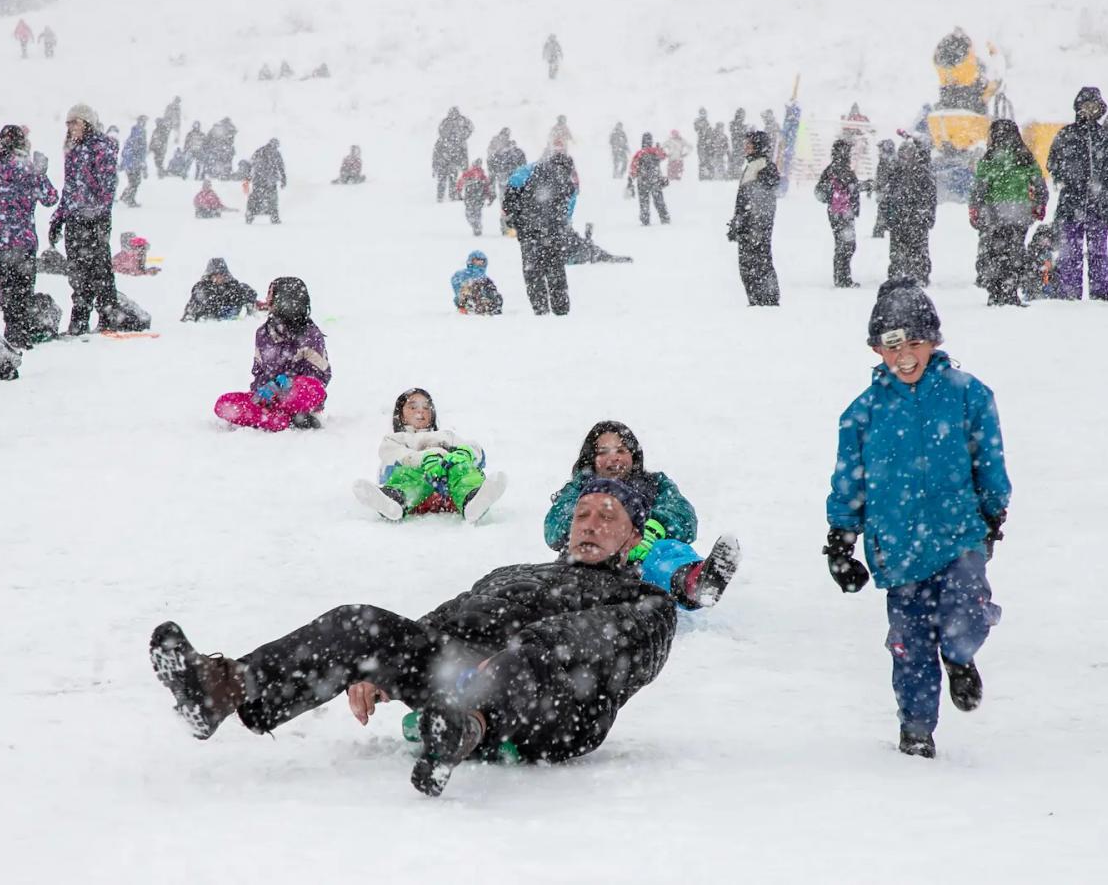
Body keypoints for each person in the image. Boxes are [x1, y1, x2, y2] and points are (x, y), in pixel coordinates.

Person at [148, 478, 735, 797]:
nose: (590, 524)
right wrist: (378, 670)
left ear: (634, 534)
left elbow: (609, 649)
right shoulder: (517, 573)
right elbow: (450, 621)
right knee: (362, 623)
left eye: (608, 517)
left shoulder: (646, 598)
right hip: (467, 669)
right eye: (583, 515)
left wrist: (513, 658)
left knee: (541, 656)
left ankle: (462, 724)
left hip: (559, 708)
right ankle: (227, 689)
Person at [824, 280, 1010, 759]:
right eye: (892, 346)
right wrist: (841, 543)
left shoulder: (968, 395)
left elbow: (988, 459)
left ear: (935, 343)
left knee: (967, 613)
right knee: (908, 643)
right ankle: (916, 727)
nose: (904, 356)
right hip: (898, 546)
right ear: (875, 349)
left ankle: (960, 655)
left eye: (915, 344)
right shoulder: (862, 415)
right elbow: (850, 482)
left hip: (958, 533)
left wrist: (994, 511)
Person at [544, 420, 736, 605]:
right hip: (589, 561)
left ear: (633, 455)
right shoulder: (579, 488)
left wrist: (653, 527)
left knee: (666, 552)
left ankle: (694, 581)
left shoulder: (654, 483)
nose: (614, 457)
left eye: (621, 450)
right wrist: (604, 534)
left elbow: (682, 514)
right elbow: (555, 524)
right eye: (603, 452)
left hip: (644, 563)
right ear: (591, 459)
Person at [0, 124, 59, 349]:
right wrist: (42, 173)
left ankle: (12, 327)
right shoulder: (29, 168)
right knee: (24, 287)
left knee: (6, 287)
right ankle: (21, 330)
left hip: (0, 238)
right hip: (24, 238)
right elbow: (50, 198)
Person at [352, 388, 508, 523]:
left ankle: (471, 500)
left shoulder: (446, 436)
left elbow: (474, 448)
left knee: (462, 470)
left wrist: (464, 454)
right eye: (413, 407)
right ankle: (393, 502)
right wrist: (423, 459)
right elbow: (389, 452)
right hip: (413, 492)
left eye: (426, 407)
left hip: (449, 492)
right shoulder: (398, 438)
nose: (420, 411)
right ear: (400, 414)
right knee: (410, 472)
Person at [214, 277, 331, 431]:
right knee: (224, 403)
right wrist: (262, 391)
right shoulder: (263, 333)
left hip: (299, 397)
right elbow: (259, 371)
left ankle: (282, 417)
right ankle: (279, 419)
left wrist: (288, 383)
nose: (267, 298)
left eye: (271, 294)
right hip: (271, 401)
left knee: (311, 388)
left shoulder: (309, 334)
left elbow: (319, 377)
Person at [1046, 86, 1108, 300]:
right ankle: (1069, 291)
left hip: (1099, 204)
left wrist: (1104, 184)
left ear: (1100, 108)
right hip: (1072, 204)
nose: (1089, 109)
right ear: (1078, 107)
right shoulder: (1066, 134)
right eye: (1085, 105)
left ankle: (1101, 292)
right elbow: (1052, 163)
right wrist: (1073, 178)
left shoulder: (1106, 136)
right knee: (1070, 250)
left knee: (1098, 250)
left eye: (1093, 105)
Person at [49, 103, 119, 336]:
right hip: (75, 218)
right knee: (78, 270)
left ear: (86, 123)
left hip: (95, 218)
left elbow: (108, 187)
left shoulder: (101, 148)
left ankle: (108, 314)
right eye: (68, 123)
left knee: (100, 267)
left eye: (75, 122)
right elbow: (69, 189)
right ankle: (79, 317)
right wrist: (58, 218)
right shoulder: (73, 150)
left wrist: (98, 214)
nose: (71, 128)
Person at [969, 120, 1047, 306]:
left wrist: (975, 209)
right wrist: (1040, 204)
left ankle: (995, 292)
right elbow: (1039, 184)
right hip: (1019, 214)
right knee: (1015, 254)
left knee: (995, 254)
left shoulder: (989, 160)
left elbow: (979, 188)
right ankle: (1010, 291)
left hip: (993, 214)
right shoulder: (1025, 158)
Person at [503, 152, 577, 315]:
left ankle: (540, 308)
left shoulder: (530, 169)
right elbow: (569, 208)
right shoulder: (567, 181)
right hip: (553, 231)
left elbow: (512, 184)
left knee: (532, 269)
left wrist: (510, 213)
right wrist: (561, 225)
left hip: (529, 228)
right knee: (556, 268)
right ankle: (561, 308)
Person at [728, 130, 781, 306]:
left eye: (749, 143)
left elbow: (763, 198)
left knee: (759, 262)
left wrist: (749, 220)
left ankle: (766, 299)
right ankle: (756, 299)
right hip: (748, 225)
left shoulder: (765, 166)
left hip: (757, 226)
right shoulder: (752, 165)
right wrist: (738, 221)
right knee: (747, 265)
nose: (746, 147)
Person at [884, 139, 939, 286]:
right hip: (899, 220)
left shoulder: (922, 174)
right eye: (903, 153)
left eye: (908, 153)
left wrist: (928, 216)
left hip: (917, 220)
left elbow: (931, 198)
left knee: (918, 251)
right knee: (897, 253)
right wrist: (888, 217)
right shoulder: (895, 173)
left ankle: (919, 276)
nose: (905, 156)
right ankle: (897, 277)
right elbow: (888, 197)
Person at [815, 139, 861, 288]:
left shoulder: (833, 168)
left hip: (837, 211)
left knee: (844, 244)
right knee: (846, 245)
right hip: (841, 212)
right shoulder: (840, 169)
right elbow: (851, 187)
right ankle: (843, 279)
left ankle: (841, 277)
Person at [182, 258, 257, 321]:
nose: (218, 277)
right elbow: (190, 314)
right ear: (210, 275)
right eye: (215, 274)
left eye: (221, 274)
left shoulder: (233, 287)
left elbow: (248, 294)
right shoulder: (202, 290)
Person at [628, 133, 669, 226]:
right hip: (655, 180)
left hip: (642, 181)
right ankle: (665, 218)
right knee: (659, 200)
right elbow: (664, 156)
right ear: (651, 141)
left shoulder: (639, 153)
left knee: (644, 202)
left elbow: (633, 168)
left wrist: (630, 180)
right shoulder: (655, 151)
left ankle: (645, 220)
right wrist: (659, 149)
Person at [433, 108, 474, 202]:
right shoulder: (459, 141)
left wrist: (435, 165)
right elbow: (464, 154)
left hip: (445, 161)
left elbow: (436, 153)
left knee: (445, 180)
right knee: (451, 179)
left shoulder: (443, 138)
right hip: (451, 162)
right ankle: (449, 197)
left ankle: (442, 198)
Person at [245, 139, 286, 224]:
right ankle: (274, 217)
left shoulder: (260, 151)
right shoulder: (274, 154)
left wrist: (248, 176)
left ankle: (250, 214)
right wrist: (283, 179)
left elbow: (250, 164)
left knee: (257, 197)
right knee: (272, 199)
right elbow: (281, 167)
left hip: (260, 179)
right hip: (268, 180)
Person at [448, 250, 502, 315]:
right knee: (472, 286)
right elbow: (457, 286)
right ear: (471, 261)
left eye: (481, 261)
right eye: (476, 261)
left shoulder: (485, 278)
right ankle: (470, 307)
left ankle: (491, 307)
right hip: (466, 298)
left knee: (489, 287)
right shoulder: (462, 274)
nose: (479, 263)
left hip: (481, 298)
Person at [456, 159, 493, 235]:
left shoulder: (469, 173)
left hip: (470, 196)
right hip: (478, 197)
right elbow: (487, 186)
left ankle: (475, 225)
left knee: (470, 212)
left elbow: (460, 182)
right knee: (477, 212)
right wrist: (489, 196)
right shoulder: (481, 175)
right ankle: (477, 225)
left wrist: (458, 191)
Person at [119, 116, 148, 207]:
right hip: (134, 164)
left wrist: (123, 163)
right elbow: (140, 153)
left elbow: (125, 152)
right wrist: (142, 165)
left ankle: (125, 196)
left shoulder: (132, 137)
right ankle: (129, 199)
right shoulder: (140, 136)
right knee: (135, 182)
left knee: (133, 182)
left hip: (130, 164)